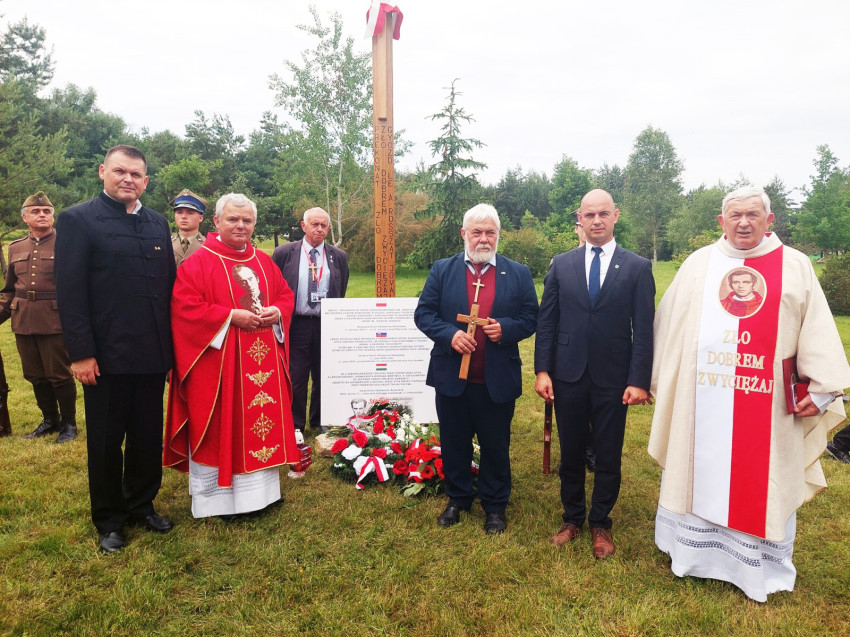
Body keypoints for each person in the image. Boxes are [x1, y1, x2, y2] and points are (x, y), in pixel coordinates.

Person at [648, 186, 850, 602]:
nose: (743, 223)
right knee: (696, 466)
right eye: (735, 215)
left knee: (761, 478)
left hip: (767, 404)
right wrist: (657, 378)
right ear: (721, 221)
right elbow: (668, 326)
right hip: (700, 400)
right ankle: (691, 555)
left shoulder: (794, 266)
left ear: (769, 220)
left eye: (753, 215)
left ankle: (755, 566)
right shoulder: (698, 264)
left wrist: (821, 390)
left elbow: (815, 328)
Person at [55, 145, 176, 553]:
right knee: (106, 442)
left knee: (147, 437)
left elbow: (167, 291)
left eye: (136, 174)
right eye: (120, 171)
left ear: (146, 181)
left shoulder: (157, 223)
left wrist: (171, 353)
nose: (128, 179)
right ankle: (109, 520)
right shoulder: (78, 219)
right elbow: (71, 293)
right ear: (102, 171)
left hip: (152, 356)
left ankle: (141, 504)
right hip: (105, 358)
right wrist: (80, 353)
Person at [535, 189, 655, 558]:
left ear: (615, 215)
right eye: (590, 215)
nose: (597, 221)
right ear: (580, 219)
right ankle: (572, 518)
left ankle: (601, 522)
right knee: (571, 451)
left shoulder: (637, 267)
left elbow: (643, 328)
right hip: (567, 374)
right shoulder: (562, 264)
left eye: (603, 214)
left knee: (608, 453)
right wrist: (543, 370)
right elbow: (548, 321)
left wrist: (638, 380)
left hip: (613, 377)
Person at [164, 193, 299, 519]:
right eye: (233, 219)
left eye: (247, 220)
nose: (241, 225)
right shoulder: (198, 263)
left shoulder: (263, 261)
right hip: (219, 366)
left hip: (263, 363)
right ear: (217, 221)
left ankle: (261, 496)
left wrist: (277, 312)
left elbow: (285, 294)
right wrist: (229, 317)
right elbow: (184, 309)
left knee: (260, 425)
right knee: (221, 426)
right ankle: (219, 501)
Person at [414, 203, 538, 534]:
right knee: (454, 441)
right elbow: (424, 314)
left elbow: (531, 317)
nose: (484, 239)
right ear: (464, 234)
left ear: (498, 235)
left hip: (495, 378)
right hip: (452, 376)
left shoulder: (518, 273)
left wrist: (506, 328)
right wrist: (450, 335)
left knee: (496, 444)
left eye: (490, 232)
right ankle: (458, 498)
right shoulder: (443, 269)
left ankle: (495, 505)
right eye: (477, 232)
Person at [0, 192, 77, 442]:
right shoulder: (15, 247)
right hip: (23, 319)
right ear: (25, 217)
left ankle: (68, 424)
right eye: (36, 211)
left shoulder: (66, 243)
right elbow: (9, 290)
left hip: (54, 319)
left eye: (46, 211)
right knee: (34, 374)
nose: (42, 215)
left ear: (53, 216)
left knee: (59, 374)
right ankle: (49, 420)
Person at [272, 207, 349, 433]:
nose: (319, 229)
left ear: (329, 228)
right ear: (303, 226)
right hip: (297, 323)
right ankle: (295, 424)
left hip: (326, 323)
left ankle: (319, 420)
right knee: (296, 375)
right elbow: (275, 286)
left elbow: (341, 287)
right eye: (314, 224)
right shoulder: (284, 253)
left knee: (323, 373)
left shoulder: (338, 256)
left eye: (324, 225)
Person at [170, 188, 207, 266]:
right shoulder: (167, 244)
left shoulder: (208, 246)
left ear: (200, 218)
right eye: (179, 212)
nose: (183, 216)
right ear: (174, 216)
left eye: (190, 213)